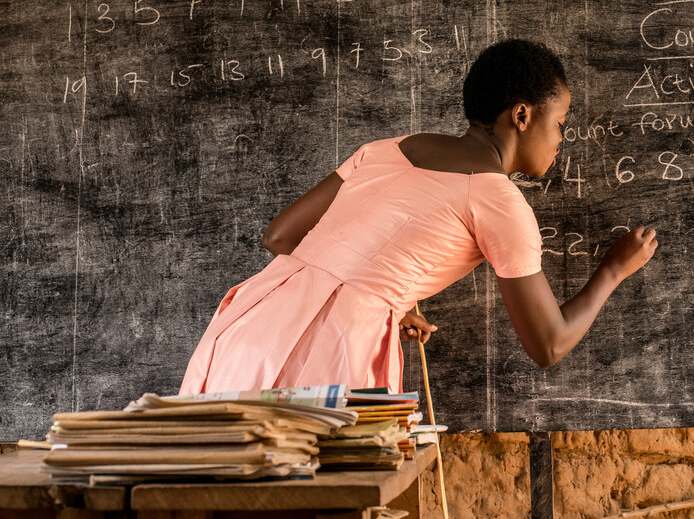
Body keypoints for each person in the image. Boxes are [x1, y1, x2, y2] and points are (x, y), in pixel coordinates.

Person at [180, 39, 657, 394]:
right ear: (522, 116)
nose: (560, 141)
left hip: (251, 323)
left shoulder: (384, 150)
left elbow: (280, 237)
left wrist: (385, 293)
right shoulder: (500, 201)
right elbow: (548, 344)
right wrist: (613, 269)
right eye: (560, 125)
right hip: (328, 352)